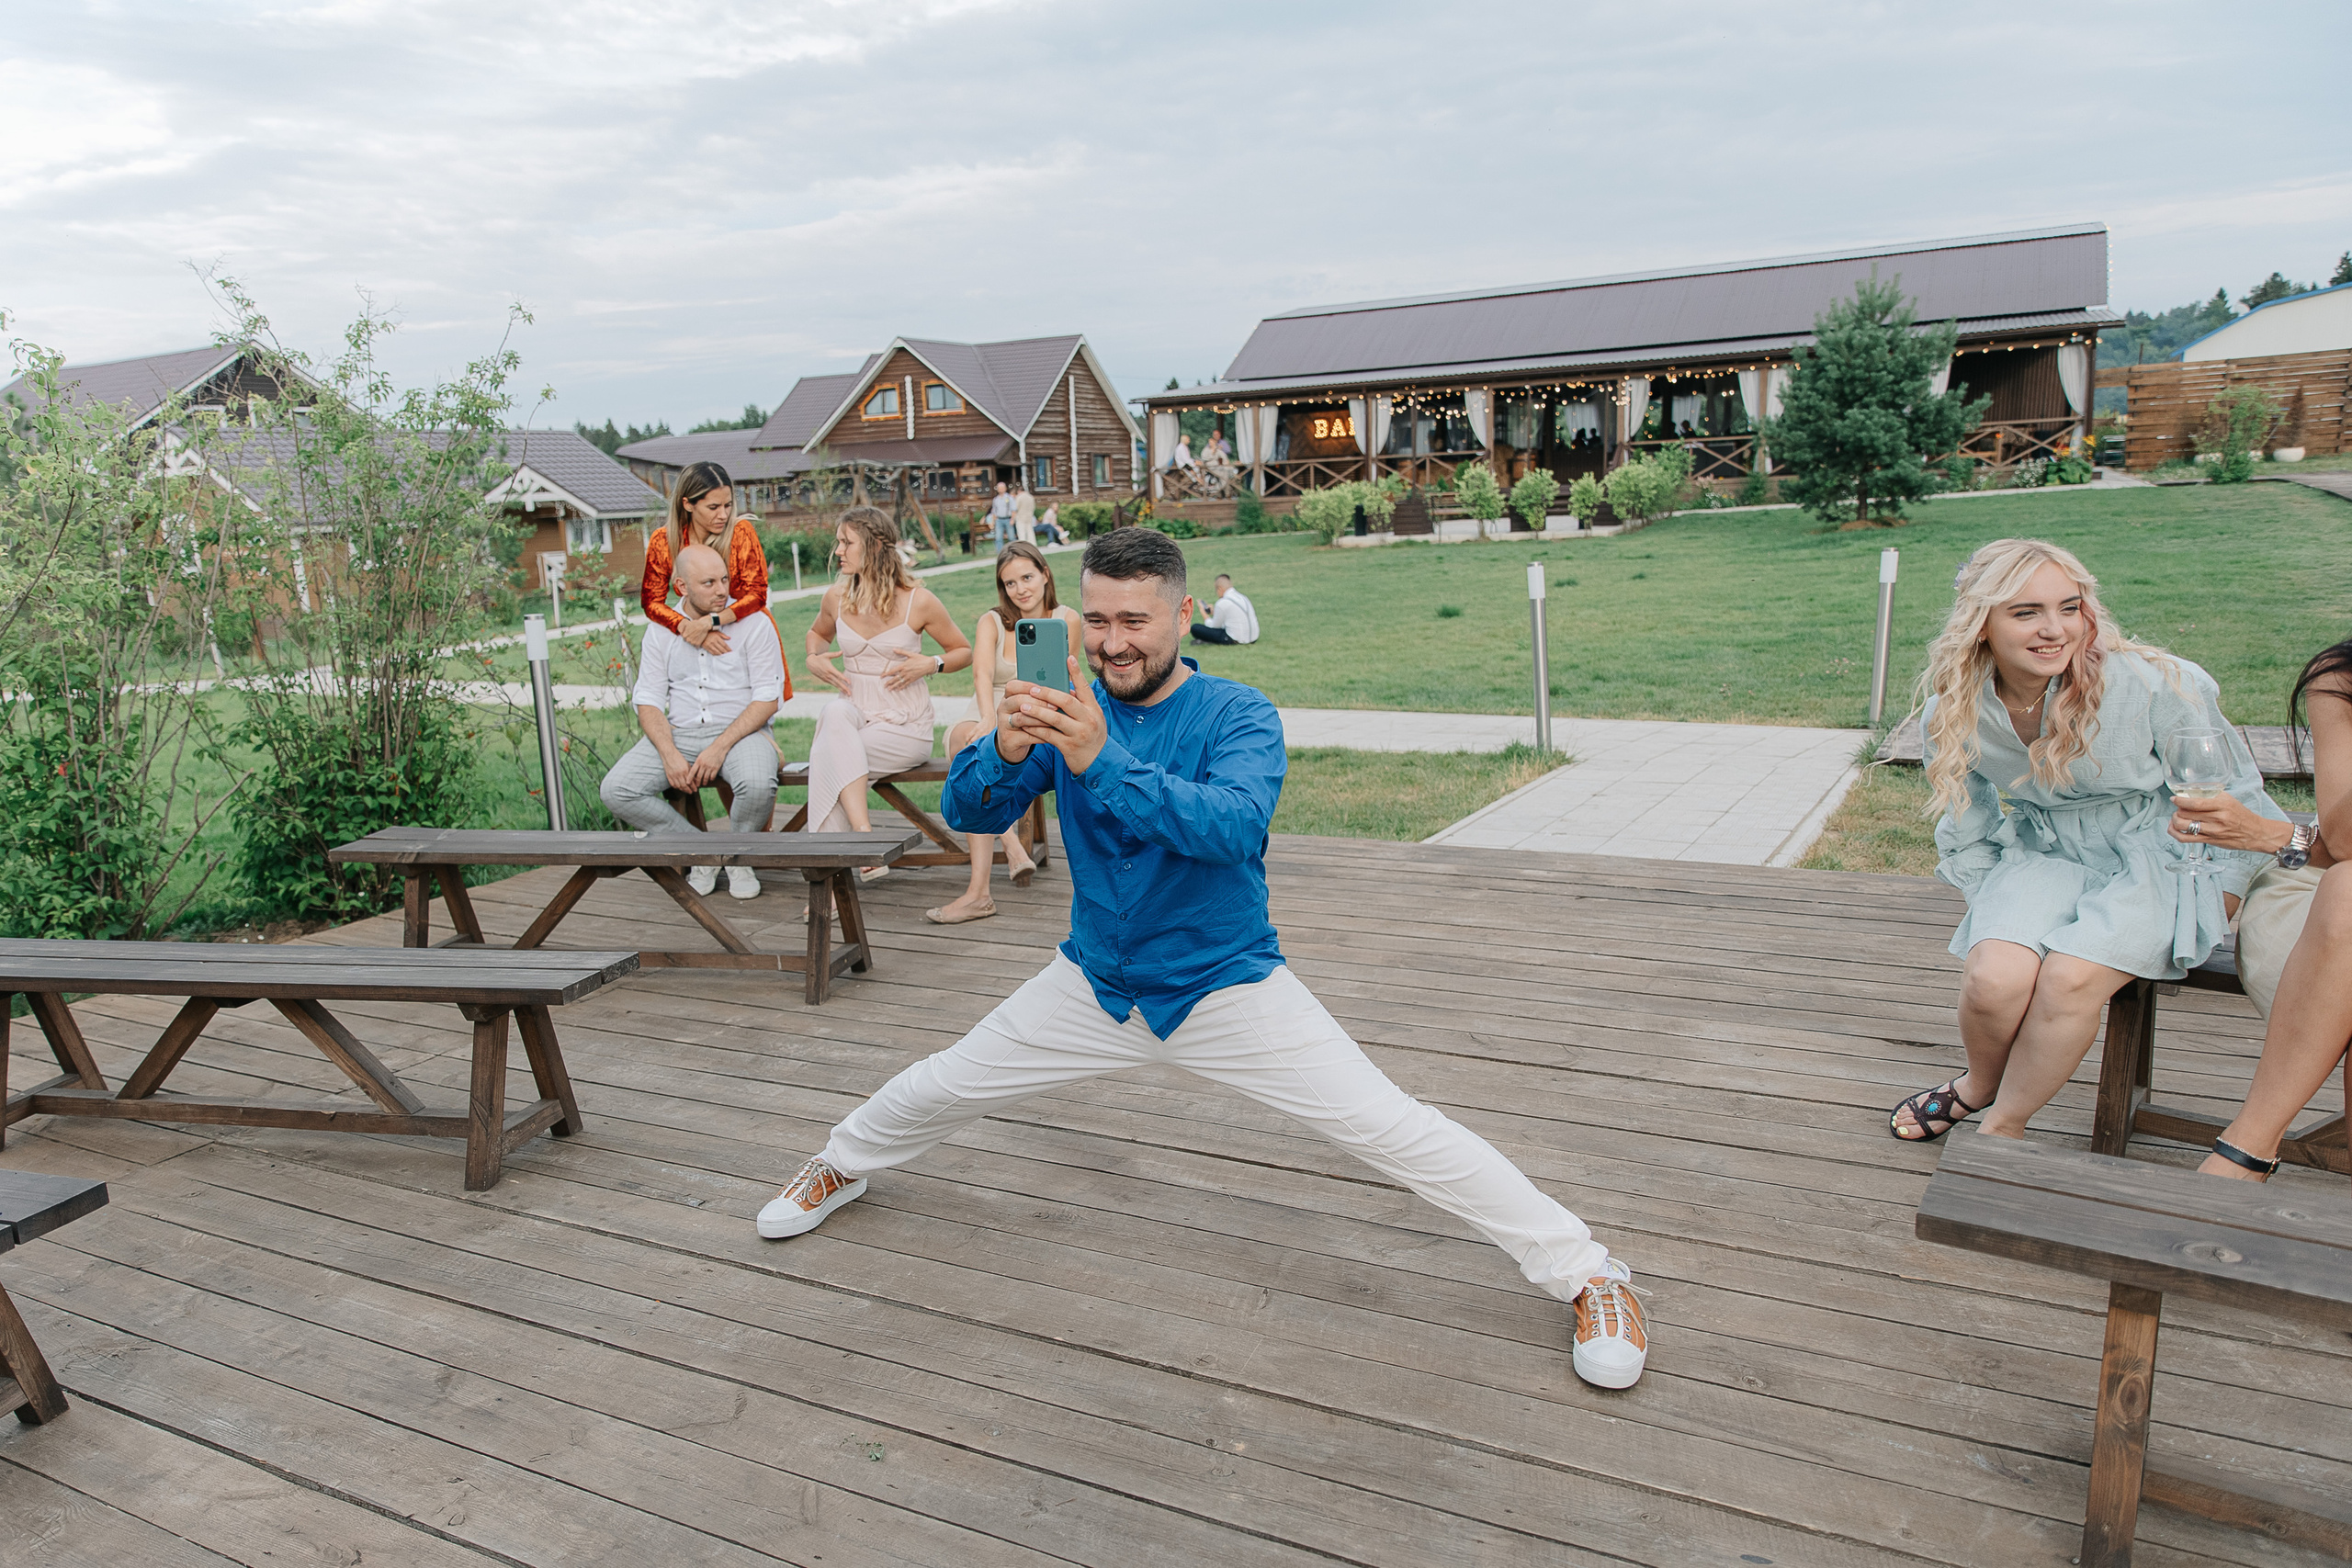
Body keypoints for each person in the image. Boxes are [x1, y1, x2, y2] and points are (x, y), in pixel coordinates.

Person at [755, 526, 1651, 1392]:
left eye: (1134, 621)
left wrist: (1099, 759)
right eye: (1095, 620)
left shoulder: (1237, 713)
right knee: (946, 1081)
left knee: (1392, 1126)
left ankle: (1589, 1273)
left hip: (1225, 985)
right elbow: (972, 815)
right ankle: (841, 1160)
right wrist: (1008, 745)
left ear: (1184, 615)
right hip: (1095, 983)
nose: (1112, 642)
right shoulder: (1070, 706)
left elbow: (1229, 828)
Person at [1891, 538, 2289, 1144]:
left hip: (2163, 853)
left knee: (2068, 978)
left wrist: (2219, 891)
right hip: (2047, 851)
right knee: (1994, 978)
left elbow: (2238, 794)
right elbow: (1966, 824)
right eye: (2026, 612)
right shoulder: (1954, 711)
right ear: (1981, 623)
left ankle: (2002, 1128)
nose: (2055, 630)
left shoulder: (2157, 684)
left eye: (2069, 607)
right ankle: (1979, 1083)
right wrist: (2000, 903)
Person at [2158, 637, 2349, 1182]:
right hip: (2322, 903)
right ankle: (2250, 1147)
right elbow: (2344, 842)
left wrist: (2270, 834)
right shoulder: (2340, 678)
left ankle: (2243, 1158)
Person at [599, 544, 783, 899]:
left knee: (759, 783)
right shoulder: (661, 630)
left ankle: (737, 857)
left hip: (741, 733)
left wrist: (718, 748)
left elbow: (766, 699)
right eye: (709, 583)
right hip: (680, 733)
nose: (722, 590)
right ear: (681, 586)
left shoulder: (755, 623)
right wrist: (669, 753)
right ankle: (702, 854)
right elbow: (648, 699)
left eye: (724, 579)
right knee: (617, 789)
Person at [801, 507, 972, 879]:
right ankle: (864, 837)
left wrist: (931, 663)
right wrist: (814, 658)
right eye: (839, 542)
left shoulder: (918, 601)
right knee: (833, 716)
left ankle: (827, 888)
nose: (838, 551)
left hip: (905, 727)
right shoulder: (836, 597)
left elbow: (963, 651)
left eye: (846, 542)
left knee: (829, 760)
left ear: (875, 546)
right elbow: (816, 635)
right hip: (853, 714)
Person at [925, 542, 1081, 925]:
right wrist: (986, 718)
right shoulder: (992, 621)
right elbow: (981, 675)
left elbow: (1065, 678)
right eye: (1010, 583)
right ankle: (1005, 854)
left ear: (1045, 574)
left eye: (1027, 577)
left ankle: (982, 889)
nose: (1020, 589)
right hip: (988, 707)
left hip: (1037, 707)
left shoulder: (1066, 619)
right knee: (968, 742)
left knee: (988, 750)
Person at [640, 461, 790, 696]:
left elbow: (757, 595)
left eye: (728, 505)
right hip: (691, 635)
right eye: (713, 507)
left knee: (758, 699)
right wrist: (689, 629)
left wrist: (710, 622)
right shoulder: (664, 540)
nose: (723, 515)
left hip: (742, 629)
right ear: (688, 504)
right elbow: (651, 602)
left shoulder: (740, 532)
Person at [1188, 572, 1258, 646]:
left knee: (1195, 628)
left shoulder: (1222, 602)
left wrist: (1204, 614)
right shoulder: (1243, 597)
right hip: (1253, 637)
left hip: (1235, 639)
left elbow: (1214, 626)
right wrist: (1214, 613)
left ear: (1220, 588)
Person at [989, 481, 1015, 548]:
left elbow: (1013, 510)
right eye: (999, 488)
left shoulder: (1009, 498)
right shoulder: (996, 499)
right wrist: (993, 521)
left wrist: (1012, 519)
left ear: (1005, 488)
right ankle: (1000, 552)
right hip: (999, 520)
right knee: (998, 538)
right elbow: (994, 511)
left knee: (1011, 537)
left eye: (1002, 488)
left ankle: (1013, 550)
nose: (1001, 489)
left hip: (1008, 519)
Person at [1012, 481, 1038, 546]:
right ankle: (1033, 544)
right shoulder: (1031, 497)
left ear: (1019, 491)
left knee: (1021, 532)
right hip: (1029, 516)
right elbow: (1033, 507)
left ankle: (1023, 545)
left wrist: (1013, 518)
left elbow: (1016, 508)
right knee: (1030, 531)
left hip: (1020, 517)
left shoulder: (1019, 497)